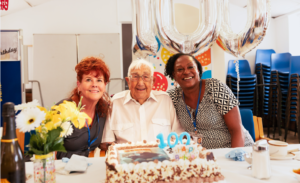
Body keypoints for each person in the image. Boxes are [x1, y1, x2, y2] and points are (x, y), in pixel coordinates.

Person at [164, 53, 254, 149]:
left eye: (190, 67)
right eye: (180, 69)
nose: (186, 72)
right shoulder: (173, 97)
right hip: (205, 157)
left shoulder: (215, 87)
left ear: (198, 70)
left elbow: (236, 129)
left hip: (237, 150)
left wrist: (236, 156)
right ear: (174, 74)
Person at [102, 59, 184, 144]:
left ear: (153, 81)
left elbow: (178, 136)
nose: (140, 83)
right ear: (128, 81)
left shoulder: (165, 100)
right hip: (128, 156)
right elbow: (108, 142)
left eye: (146, 77)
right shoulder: (115, 102)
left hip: (162, 155)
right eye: (135, 77)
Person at [56, 56, 111, 159]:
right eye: (88, 80)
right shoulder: (62, 109)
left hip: (88, 168)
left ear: (104, 85)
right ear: (79, 85)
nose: (94, 85)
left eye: (99, 80)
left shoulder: (104, 110)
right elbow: (49, 152)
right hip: (62, 170)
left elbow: (102, 142)